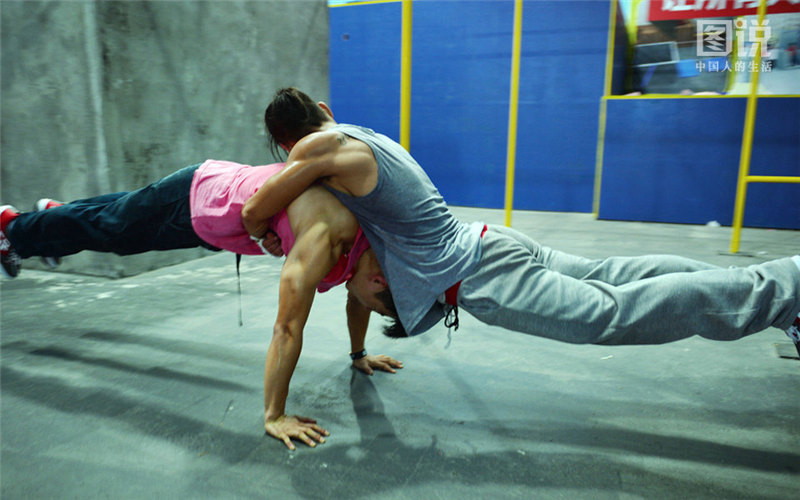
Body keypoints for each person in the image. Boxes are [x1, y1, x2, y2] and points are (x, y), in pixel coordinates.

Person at [242, 87, 800, 356]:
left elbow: (253, 209)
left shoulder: (314, 150)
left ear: (289, 143)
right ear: (325, 109)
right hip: (487, 240)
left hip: (475, 272)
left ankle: (782, 288)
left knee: (610, 314)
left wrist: (263, 228)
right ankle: (776, 298)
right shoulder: (360, 133)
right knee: (617, 276)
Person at [0, 159, 403, 449]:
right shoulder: (328, 240)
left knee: (118, 214)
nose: (369, 308)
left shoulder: (367, 252)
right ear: (379, 281)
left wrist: (358, 354)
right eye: (379, 306)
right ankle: (13, 228)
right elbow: (287, 329)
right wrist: (275, 415)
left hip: (212, 209)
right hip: (199, 200)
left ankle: (53, 221)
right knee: (114, 230)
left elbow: (359, 302)